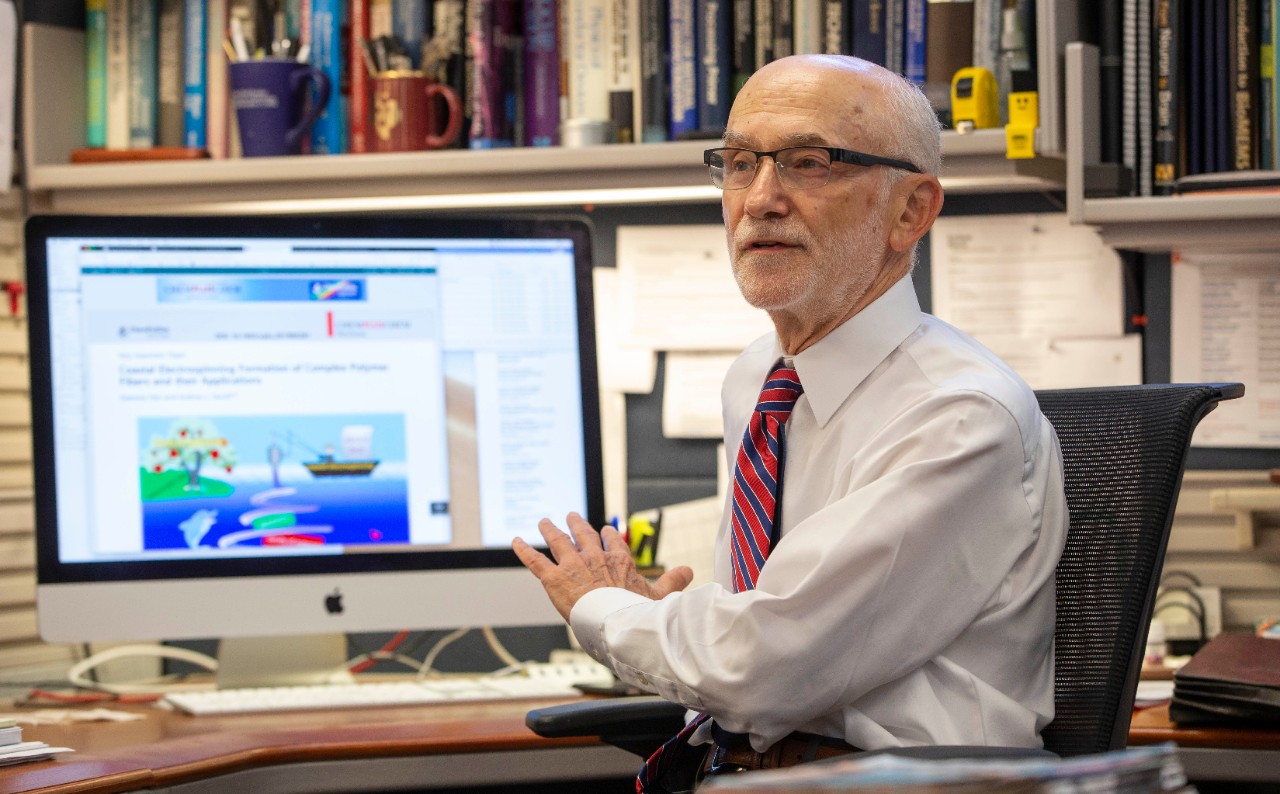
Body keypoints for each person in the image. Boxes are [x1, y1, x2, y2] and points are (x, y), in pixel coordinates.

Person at [512, 54, 1068, 791]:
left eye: (809, 163)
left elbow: (760, 669)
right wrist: (669, 617)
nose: (761, 198)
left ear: (912, 211)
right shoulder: (760, 380)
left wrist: (602, 610)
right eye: (740, 164)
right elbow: (775, 628)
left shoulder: (959, 414)